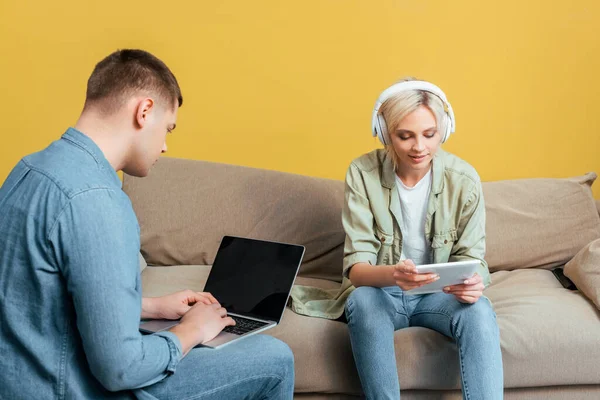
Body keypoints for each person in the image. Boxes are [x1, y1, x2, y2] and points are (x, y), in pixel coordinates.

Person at [0, 49, 294, 400]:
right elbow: (120, 368)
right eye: (168, 128)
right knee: (275, 359)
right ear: (144, 111)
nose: (166, 145)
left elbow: (35, 293)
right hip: (66, 388)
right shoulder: (99, 201)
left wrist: (150, 307)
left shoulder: (30, 169)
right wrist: (189, 331)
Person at [290, 78, 503, 399]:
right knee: (361, 301)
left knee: (479, 311)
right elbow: (357, 270)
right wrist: (395, 276)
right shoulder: (362, 173)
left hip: (438, 296)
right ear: (384, 131)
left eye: (429, 135)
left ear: (444, 130)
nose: (419, 147)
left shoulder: (464, 179)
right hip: (381, 292)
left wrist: (472, 283)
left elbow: (472, 259)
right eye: (405, 136)